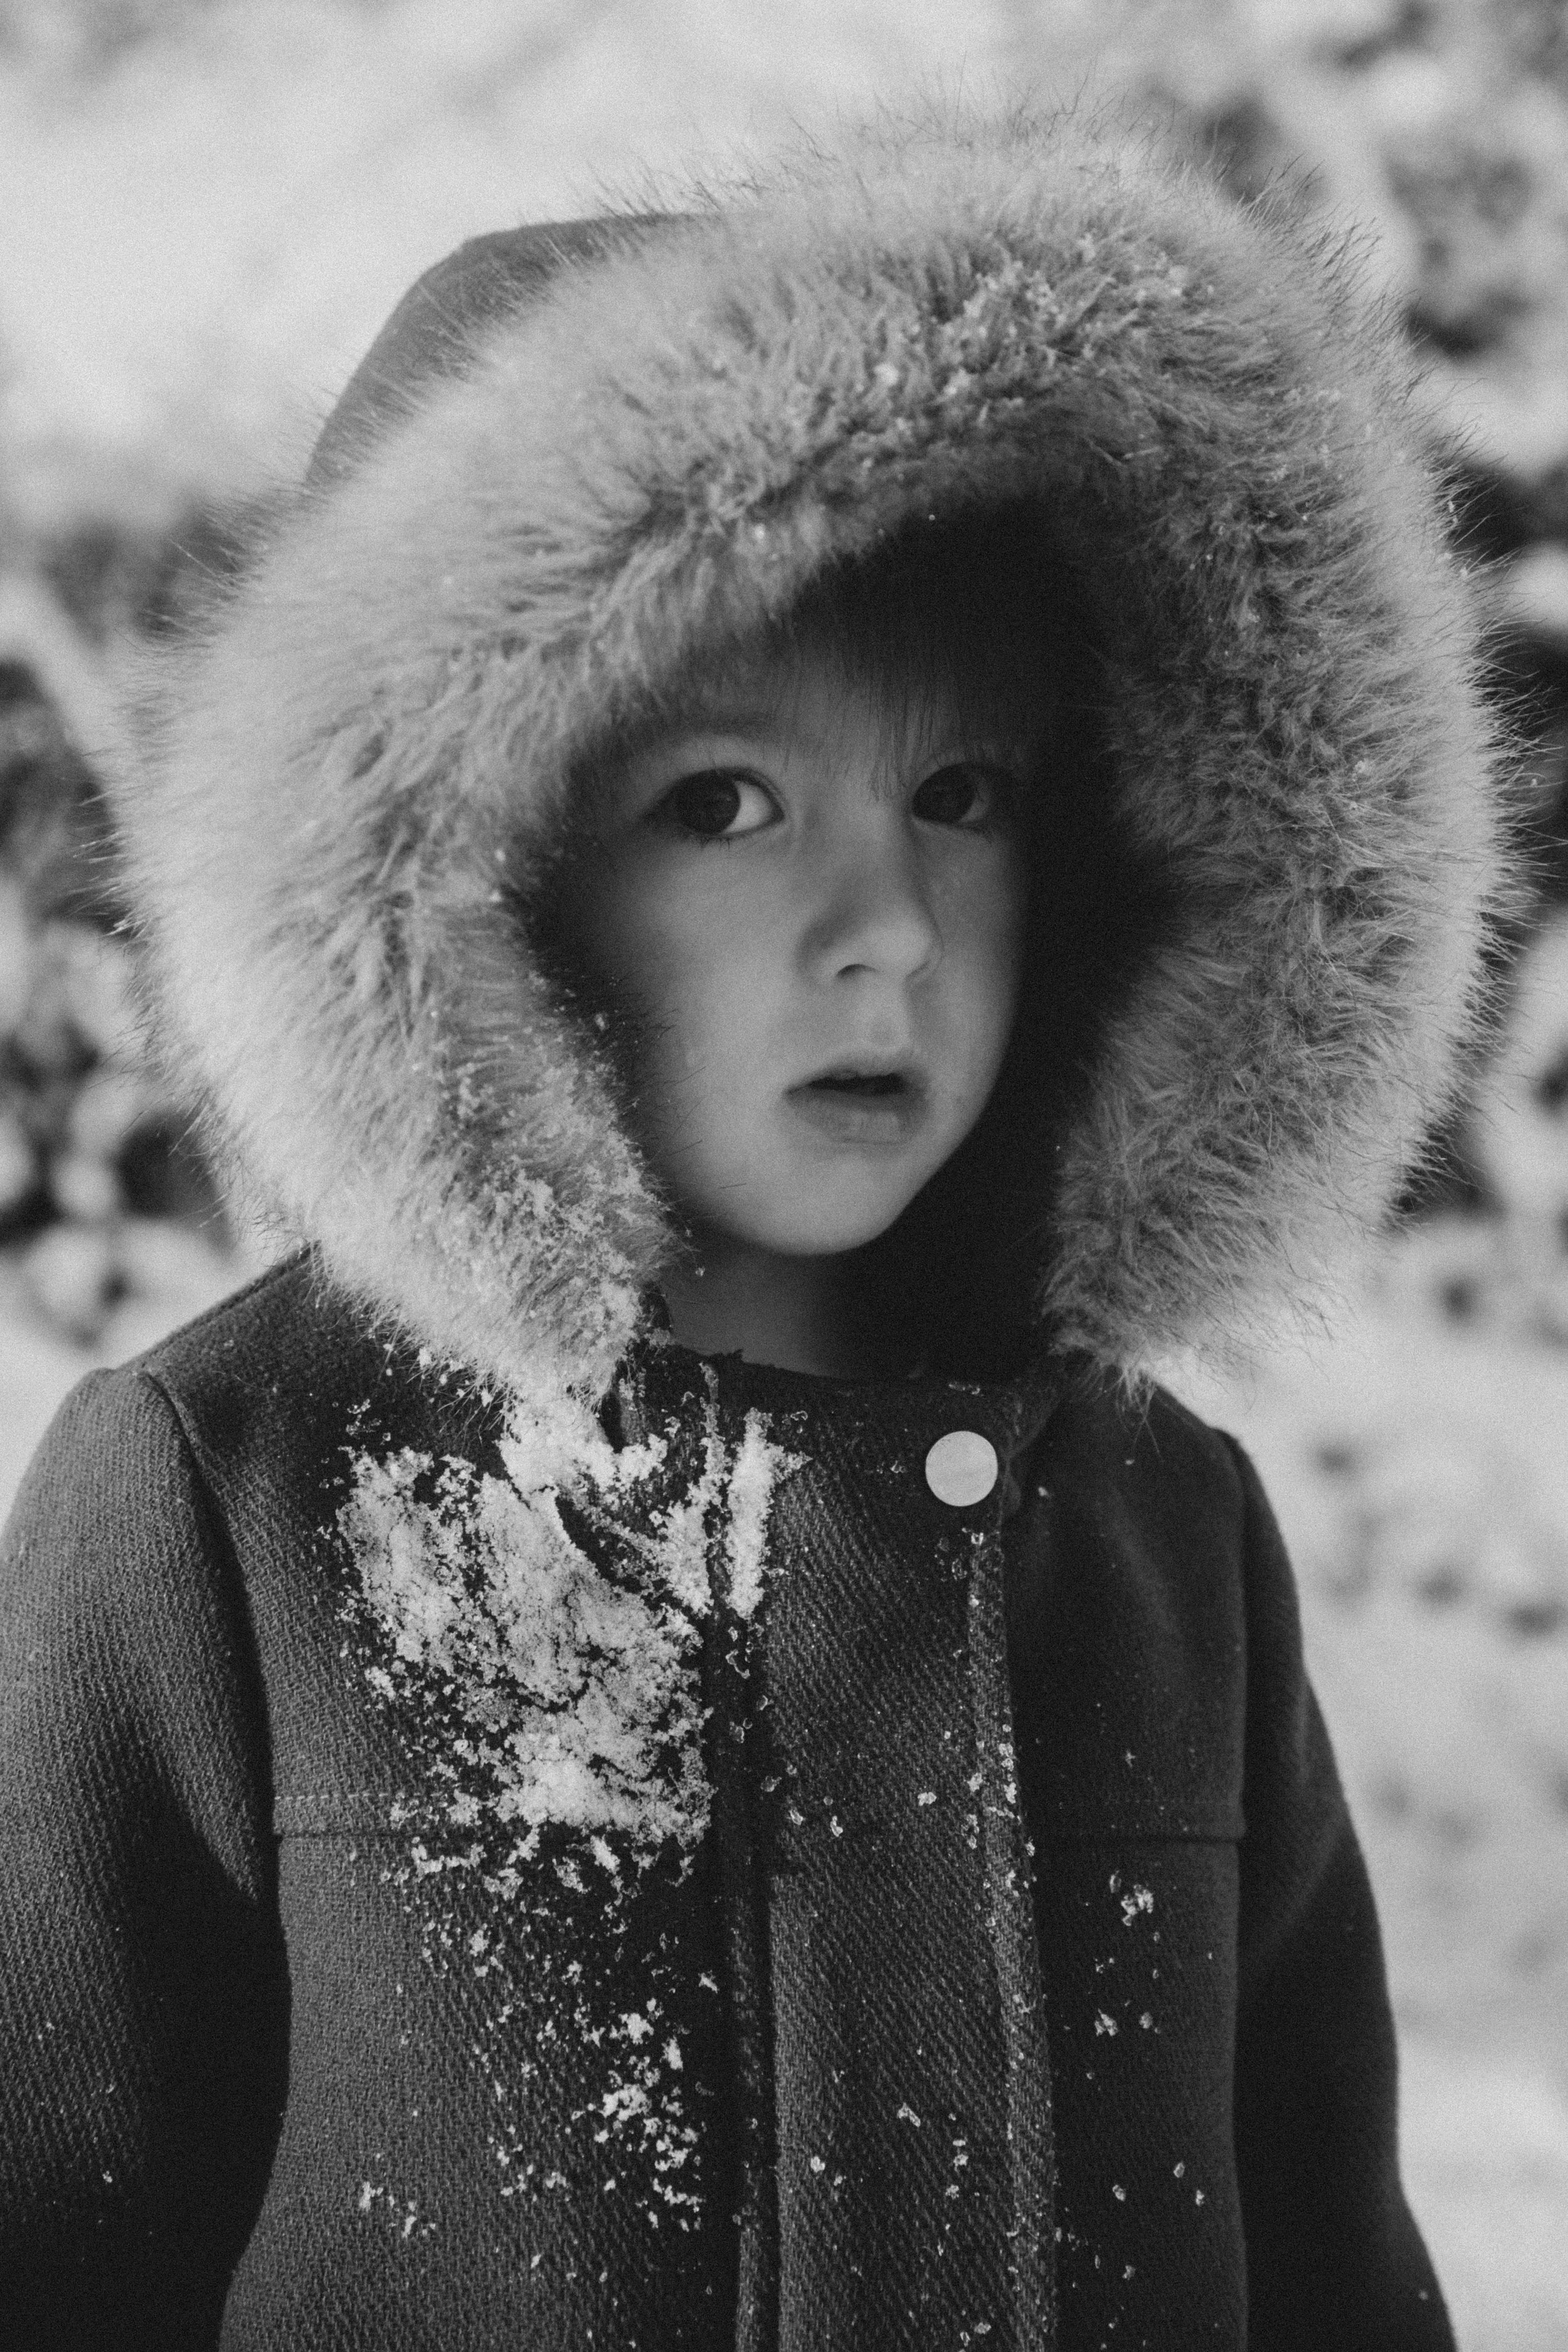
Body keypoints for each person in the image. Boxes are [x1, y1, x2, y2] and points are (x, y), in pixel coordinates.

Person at [0, 109, 1518, 2349]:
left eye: (959, 796)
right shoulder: (237, 1505)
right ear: (479, 859)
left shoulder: (1158, 1536)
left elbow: (1329, 2268)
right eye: (722, 803)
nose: (880, 929)